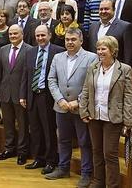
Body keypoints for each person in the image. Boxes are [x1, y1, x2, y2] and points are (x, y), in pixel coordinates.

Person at [80, 35, 132, 188]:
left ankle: (112, 185)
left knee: (109, 154)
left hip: (113, 118)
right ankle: (98, 181)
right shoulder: (93, 67)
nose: (100, 52)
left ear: (113, 50)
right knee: (96, 152)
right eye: (98, 49)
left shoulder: (124, 69)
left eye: (103, 48)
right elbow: (86, 90)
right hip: (94, 116)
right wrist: (83, 111)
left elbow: (128, 97)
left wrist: (128, 120)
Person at [46, 28, 97, 187]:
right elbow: (51, 80)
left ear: (81, 41)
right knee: (63, 139)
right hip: (61, 107)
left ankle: (86, 174)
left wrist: (79, 101)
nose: (70, 42)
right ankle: (63, 168)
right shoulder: (57, 57)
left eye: (73, 39)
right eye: (67, 39)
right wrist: (60, 99)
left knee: (84, 142)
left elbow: (92, 83)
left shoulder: (91, 57)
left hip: (81, 108)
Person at [20, 25, 65, 174]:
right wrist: (23, 95)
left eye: (43, 35)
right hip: (32, 94)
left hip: (48, 96)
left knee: (48, 130)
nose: (40, 38)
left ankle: (51, 160)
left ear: (50, 35)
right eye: (38, 36)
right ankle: (38, 158)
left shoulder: (58, 52)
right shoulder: (30, 52)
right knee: (35, 129)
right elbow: (25, 76)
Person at [0, 24, 31, 165]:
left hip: (20, 94)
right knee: (8, 123)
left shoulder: (29, 50)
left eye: (15, 33)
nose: (13, 36)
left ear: (22, 34)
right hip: (5, 92)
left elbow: (28, 75)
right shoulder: (3, 50)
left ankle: (22, 152)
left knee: (22, 124)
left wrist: (25, 94)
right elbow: (0, 72)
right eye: (10, 34)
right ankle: (9, 148)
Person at [87, 0, 132, 67]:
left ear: (114, 10)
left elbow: (128, 55)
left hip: (116, 71)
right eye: (101, 9)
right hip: (95, 69)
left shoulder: (125, 27)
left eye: (106, 9)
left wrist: (124, 72)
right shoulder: (93, 26)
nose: (103, 11)